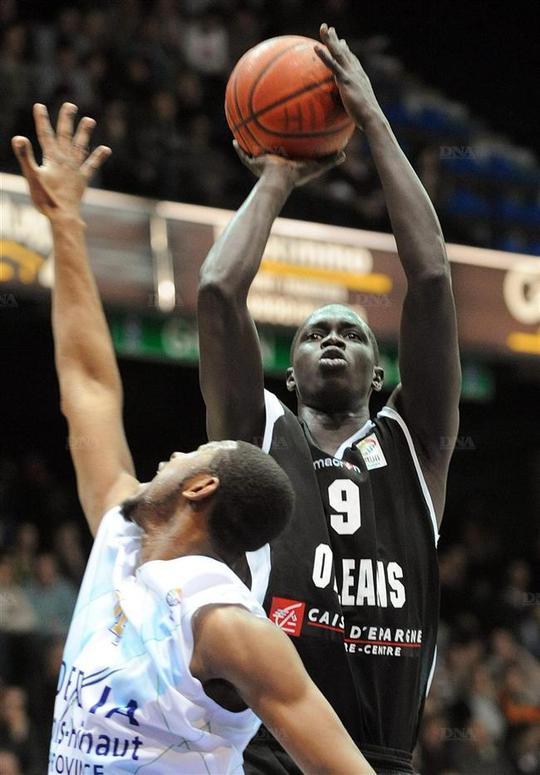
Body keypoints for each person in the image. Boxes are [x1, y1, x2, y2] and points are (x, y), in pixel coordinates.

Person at [12, 102, 374, 775]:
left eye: (183, 456)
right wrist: (64, 222)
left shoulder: (225, 622)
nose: (166, 458)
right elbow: (88, 384)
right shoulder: (122, 543)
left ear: (200, 486)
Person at [197, 23, 461, 775]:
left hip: (384, 758)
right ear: (290, 373)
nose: (335, 337)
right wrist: (278, 173)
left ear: (382, 373)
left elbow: (435, 282)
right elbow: (218, 290)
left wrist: (373, 118)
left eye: (351, 331)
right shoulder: (259, 434)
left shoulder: (418, 444)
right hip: (271, 754)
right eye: (315, 334)